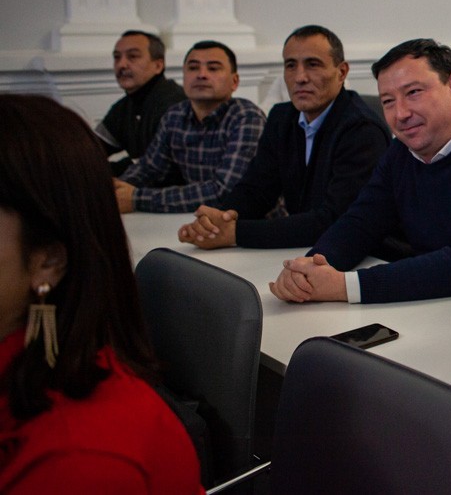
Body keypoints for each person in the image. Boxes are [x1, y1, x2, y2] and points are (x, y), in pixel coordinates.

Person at [0, 94, 201, 493]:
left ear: (48, 262)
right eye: (118, 57)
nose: (123, 66)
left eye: (212, 67)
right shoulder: (162, 113)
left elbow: (234, 188)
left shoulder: (79, 465)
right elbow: (145, 168)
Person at [269, 38, 451, 304]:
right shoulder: (401, 152)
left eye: (413, 93)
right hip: (432, 304)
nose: (400, 114)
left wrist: (345, 286)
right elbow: (360, 222)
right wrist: (308, 268)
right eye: (388, 101)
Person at [177, 25, 390, 250]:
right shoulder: (281, 117)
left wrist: (235, 233)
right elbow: (257, 189)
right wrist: (217, 221)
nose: (300, 77)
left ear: (342, 72)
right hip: (302, 249)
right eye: (290, 65)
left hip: (361, 257)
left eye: (313, 64)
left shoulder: (362, 130)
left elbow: (335, 219)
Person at [115, 41, 265, 214]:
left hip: (252, 225)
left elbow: (224, 192)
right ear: (184, 77)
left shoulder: (246, 117)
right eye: (193, 68)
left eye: (213, 68)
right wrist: (119, 188)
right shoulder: (175, 116)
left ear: (234, 81)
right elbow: (149, 169)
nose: (201, 75)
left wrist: (136, 199)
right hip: (201, 221)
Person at [95, 30, 186, 177]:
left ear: (158, 65)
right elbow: (92, 149)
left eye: (132, 56)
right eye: (117, 57)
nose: (122, 64)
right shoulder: (123, 107)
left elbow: (154, 169)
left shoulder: (174, 105)